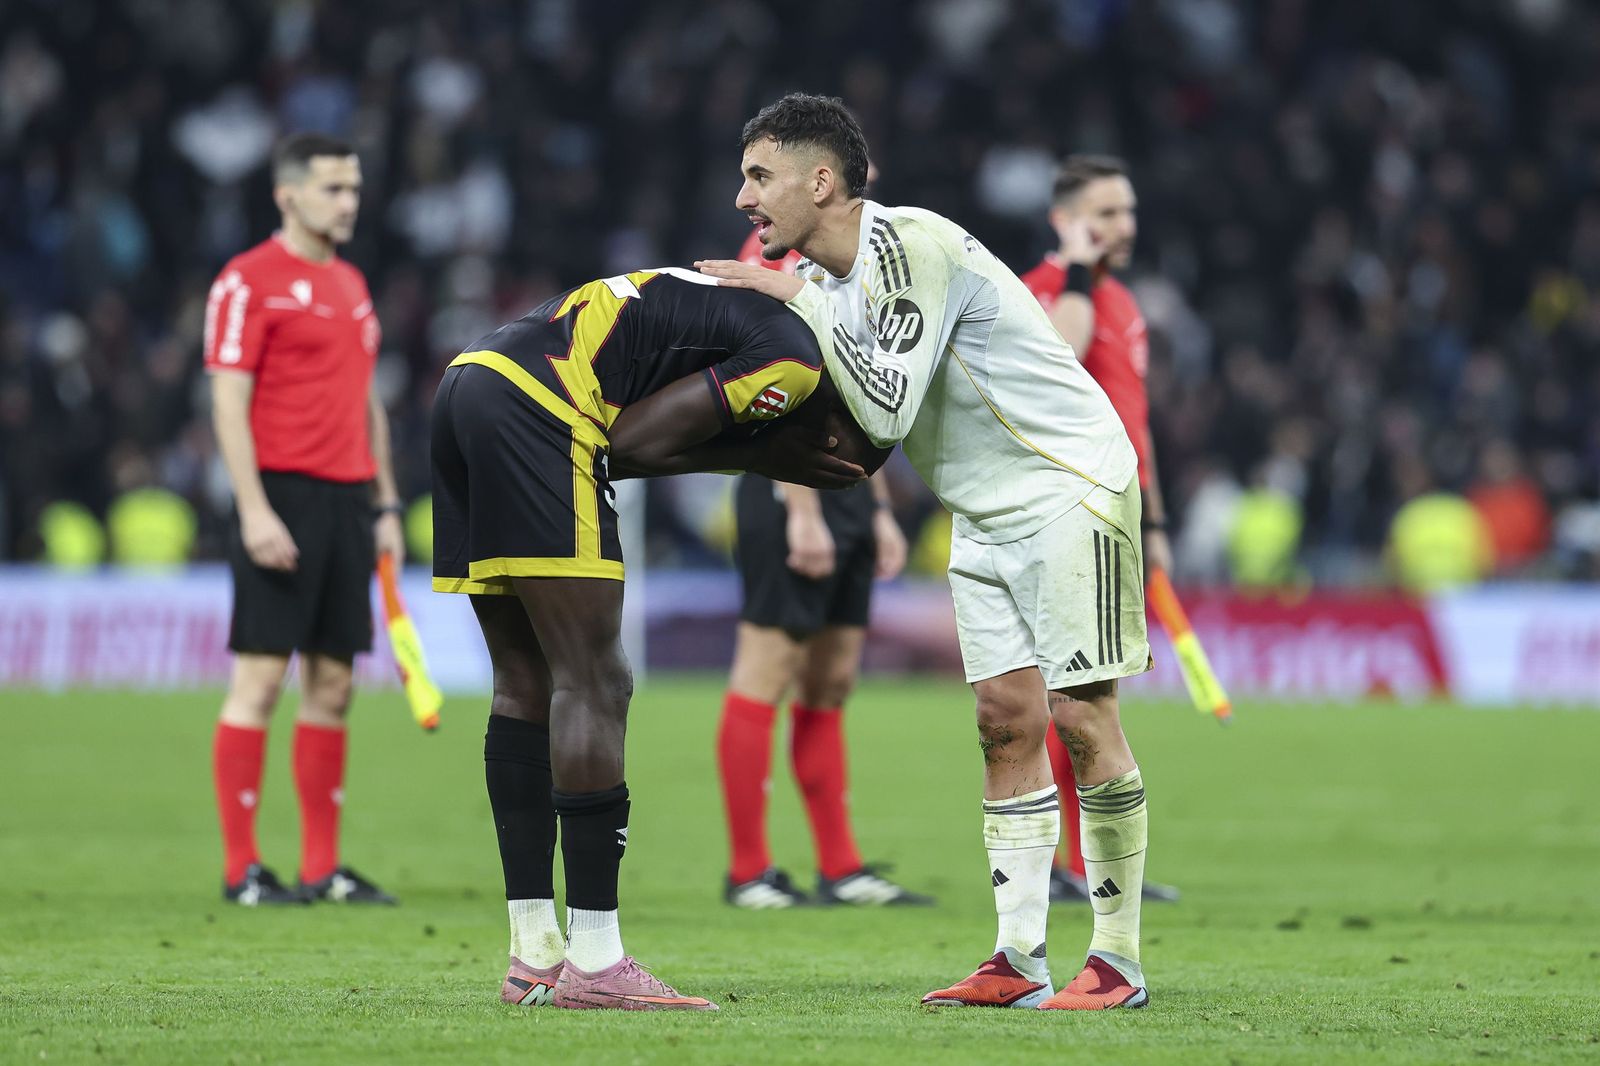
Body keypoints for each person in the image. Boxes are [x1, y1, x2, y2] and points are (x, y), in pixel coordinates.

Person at [699, 93, 1155, 1010]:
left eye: (760, 176)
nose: (744, 198)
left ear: (819, 180)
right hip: (983, 513)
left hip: (1069, 486)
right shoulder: (833, 282)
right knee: (1002, 721)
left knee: (1080, 718)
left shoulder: (909, 247)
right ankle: (1019, 957)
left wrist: (794, 300)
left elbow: (884, 410)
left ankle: (1116, 960)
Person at [431, 266, 865, 1011]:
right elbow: (623, 441)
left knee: (527, 683)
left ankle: (534, 952)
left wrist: (751, 452)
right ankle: (596, 960)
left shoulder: (725, 309)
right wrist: (760, 455)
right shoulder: (794, 358)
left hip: (469, 382)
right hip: (542, 406)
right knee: (595, 682)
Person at [205, 133, 402, 908]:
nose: (348, 202)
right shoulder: (246, 281)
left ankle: (322, 869)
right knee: (258, 679)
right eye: (332, 189)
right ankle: (242, 870)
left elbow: (366, 401)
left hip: (350, 498)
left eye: (353, 188)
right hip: (281, 496)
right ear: (288, 195)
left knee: (333, 683)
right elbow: (227, 399)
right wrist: (252, 509)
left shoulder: (352, 282)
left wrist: (385, 503)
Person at [718, 230, 932, 909]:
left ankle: (841, 868)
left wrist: (876, 511)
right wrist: (801, 511)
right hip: (786, 488)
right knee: (768, 668)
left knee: (832, 679)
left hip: (847, 488)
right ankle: (748, 871)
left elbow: (857, 399)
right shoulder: (771, 259)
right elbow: (776, 396)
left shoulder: (859, 263)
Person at [1018, 156, 1181, 906]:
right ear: (1066, 219)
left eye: (1129, 210)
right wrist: (1077, 270)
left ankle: (1088, 866)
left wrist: (1156, 520)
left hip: (1121, 510)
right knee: (1072, 690)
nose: (1126, 226)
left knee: (1096, 689)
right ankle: (1070, 868)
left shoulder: (1121, 299)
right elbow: (1060, 358)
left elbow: (1135, 423)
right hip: (1063, 507)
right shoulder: (1039, 295)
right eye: (1107, 212)